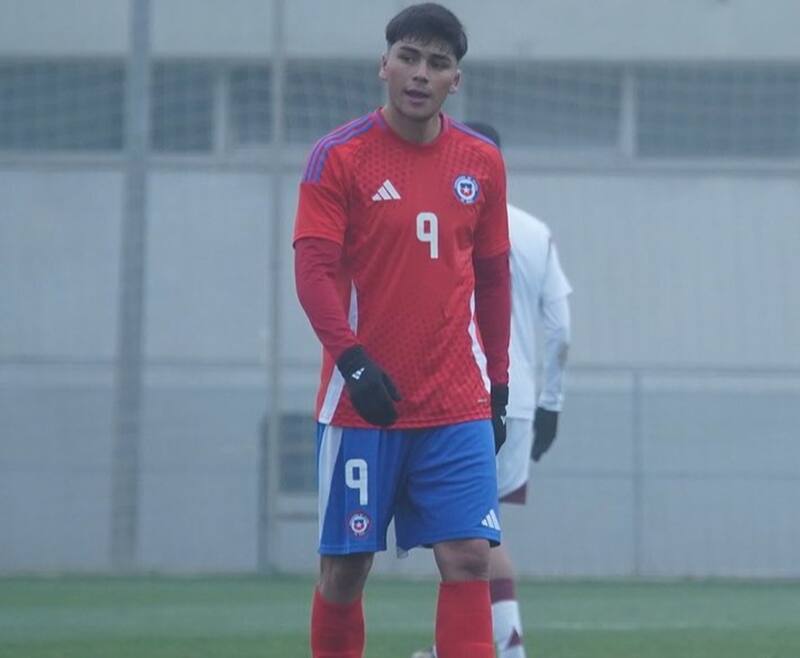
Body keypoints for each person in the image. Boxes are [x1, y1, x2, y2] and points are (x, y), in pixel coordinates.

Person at [292, 5, 512, 658]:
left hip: (455, 402)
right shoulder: (339, 157)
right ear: (384, 65)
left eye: (437, 63)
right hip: (363, 406)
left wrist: (499, 381)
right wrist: (353, 365)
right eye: (409, 58)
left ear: (456, 81)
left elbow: (495, 281)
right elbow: (313, 272)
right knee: (345, 569)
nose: (421, 74)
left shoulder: (482, 162)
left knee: (470, 557)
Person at [412, 122, 572, 658]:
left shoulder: (438, 223)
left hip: (460, 396)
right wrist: (551, 404)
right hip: (519, 402)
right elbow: (561, 329)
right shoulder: (534, 232)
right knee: (475, 531)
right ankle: (479, 643)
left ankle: (503, 645)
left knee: (470, 535)